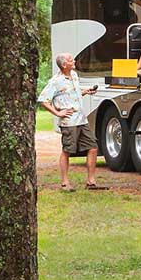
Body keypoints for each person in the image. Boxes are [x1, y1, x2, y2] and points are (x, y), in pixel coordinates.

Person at [38, 52, 102, 191]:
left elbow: (74, 93)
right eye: (70, 59)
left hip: (82, 119)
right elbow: (43, 100)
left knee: (93, 147)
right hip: (69, 122)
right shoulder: (56, 81)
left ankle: (91, 182)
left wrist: (86, 91)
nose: (74, 60)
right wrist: (58, 113)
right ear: (64, 64)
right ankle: (65, 183)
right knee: (67, 151)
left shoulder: (73, 75)